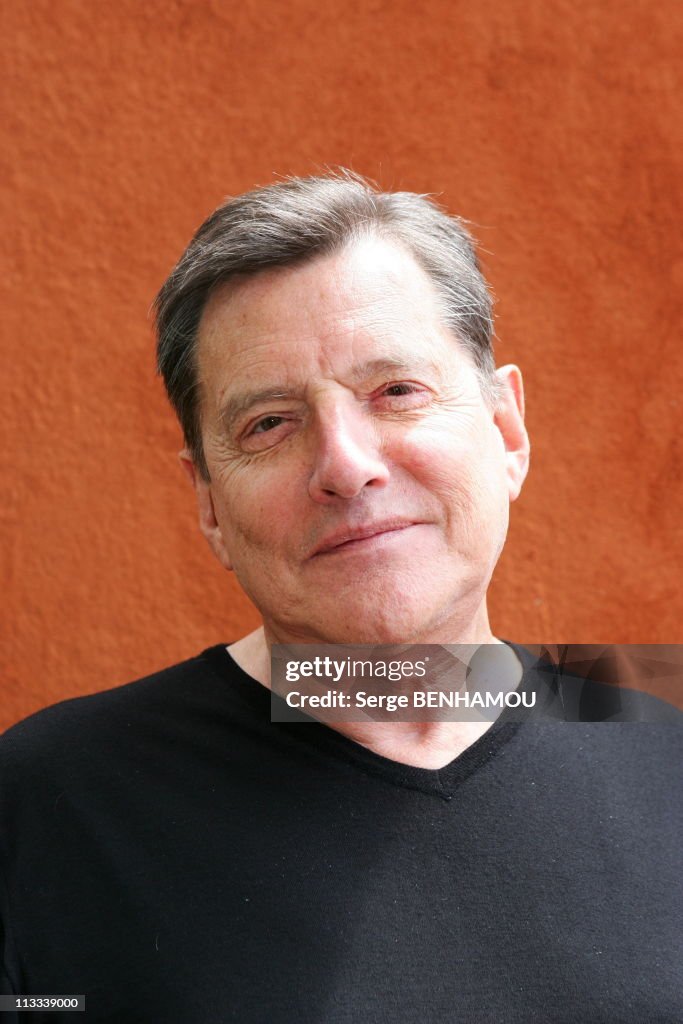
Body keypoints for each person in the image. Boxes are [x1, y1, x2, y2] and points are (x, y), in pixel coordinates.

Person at [1, 171, 681, 1022]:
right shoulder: (49, 804)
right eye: (269, 423)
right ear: (208, 503)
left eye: (396, 392)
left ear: (506, 431)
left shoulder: (661, 741)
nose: (346, 467)